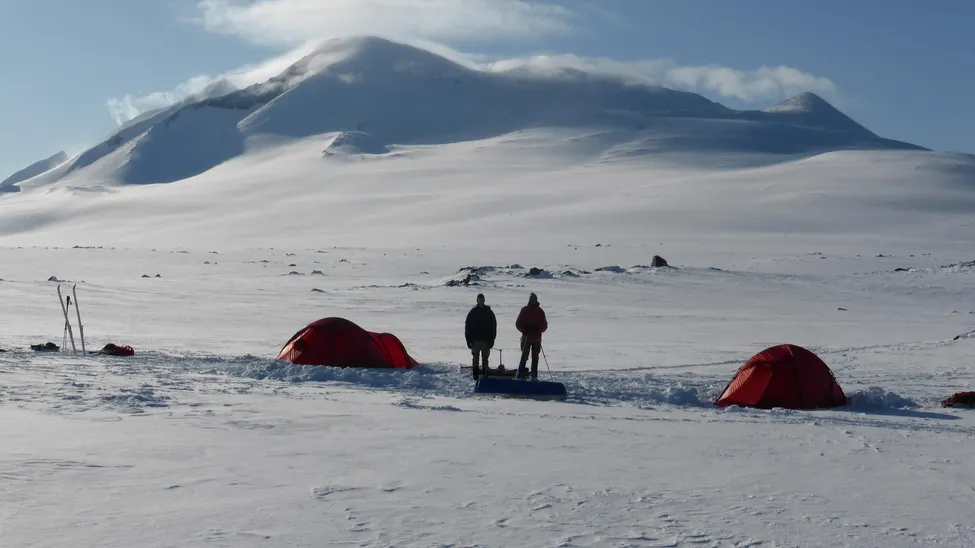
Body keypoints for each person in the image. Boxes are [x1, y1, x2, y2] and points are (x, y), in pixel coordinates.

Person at [515, 292, 547, 380]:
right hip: (526, 338)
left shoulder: (540, 311)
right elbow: (518, 323)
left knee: (535, 358)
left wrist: (538, 329)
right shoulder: (524, 310)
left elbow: (544, 326)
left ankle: (534, 376)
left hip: (536, 339)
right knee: (524, 356)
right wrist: (525, 330)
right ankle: (520, 375)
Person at [465, 293, 497, 380]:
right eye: (479, 300)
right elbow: (468, 326)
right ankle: (475, 375)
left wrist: (492, 339)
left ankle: (485, 375)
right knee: (475, 358)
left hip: (486, 340)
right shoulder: (473, 312)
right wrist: (468, 339)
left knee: (485, 358)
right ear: (477, 300)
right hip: (476, 340)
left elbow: (493, 326)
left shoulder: (489, 312)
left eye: (482, 300)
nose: (481, 302)